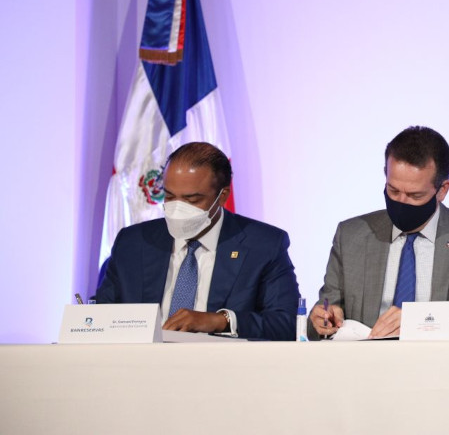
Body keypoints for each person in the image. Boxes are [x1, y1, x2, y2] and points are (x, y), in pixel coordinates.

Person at [310, 126, 449, 339]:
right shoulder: (350, 236)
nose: (401, 202)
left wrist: (419, 322)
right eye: (393, 190)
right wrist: (324, 320)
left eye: (415, 195)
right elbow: (324, 315)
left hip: (442, 360)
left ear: (442, 190)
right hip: (365, 359)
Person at [95, 142, 300, 341]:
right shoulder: (133, 242)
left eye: (192, 200)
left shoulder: (263, 244)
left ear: (222, 196)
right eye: (169, 196)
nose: (178, 208)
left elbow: (287, 323)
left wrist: (220, 321)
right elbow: (102, 318)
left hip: (221, 362)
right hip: (141, 361)